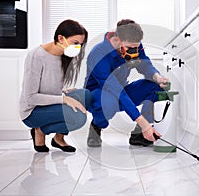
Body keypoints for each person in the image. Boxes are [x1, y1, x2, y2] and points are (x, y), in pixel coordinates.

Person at [84, 19, 169, 147]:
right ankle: (96, 125)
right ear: (117, 39)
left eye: (137, 47)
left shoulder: (134, 45)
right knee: (109, 100)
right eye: (130, 48)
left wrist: (157, 76)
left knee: (155, 87)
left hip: (122, 90)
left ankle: (139, 134)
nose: (135, 51)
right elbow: (114, 89)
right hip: (99, 95)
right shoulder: (98, 54)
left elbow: (145, 65)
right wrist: (142, 122)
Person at [19, 19, 91, 153]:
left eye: (80, 44)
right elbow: (30, 97)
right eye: (75, 43)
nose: (78, 48)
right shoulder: (37, 56)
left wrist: (63, 92)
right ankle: (39, 130)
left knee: (85, 95)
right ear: (60, 38)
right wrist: (64, 99)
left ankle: (58, 138)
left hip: (50, 105)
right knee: (79, 118)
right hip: (32, 111)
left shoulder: (64, 56)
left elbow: (47, 84)